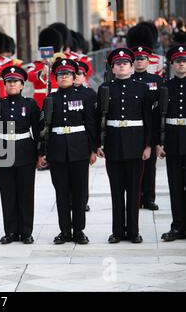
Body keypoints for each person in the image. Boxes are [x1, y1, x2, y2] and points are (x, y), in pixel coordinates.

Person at [97, 48, 152, 244]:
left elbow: (148, 119)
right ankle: (117, 232)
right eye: (118, 64)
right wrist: (98, 144)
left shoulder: (142, 88)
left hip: (136, 144)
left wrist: (148, 145)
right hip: (113, 144)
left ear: (131, 66)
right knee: (116, 190)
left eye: (125, 63)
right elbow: (99, 119)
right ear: (112, 68)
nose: (121, 66)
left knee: (134, 190)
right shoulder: (105, 88)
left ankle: (134, 231)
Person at [0, 66, 42, 244]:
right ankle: (10, 231)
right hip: (3, 151)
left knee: (26, 194)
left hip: (25, 150)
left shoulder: (30, 104)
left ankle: (26, 231)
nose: (11, 85)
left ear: (22, 84)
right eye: (8, 82)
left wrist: (41, 154)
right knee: (8, 194)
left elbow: (39, 130)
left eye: (15, 82)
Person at [43, 59, 97, 245]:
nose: (64, 77)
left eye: (67, 74)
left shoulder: (84, 97)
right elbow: (45, 129)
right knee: (62, 193)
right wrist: (44, 152)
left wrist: (93, 149)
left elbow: (90, 124)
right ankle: (64, 231)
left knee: (80, 192)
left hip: (80, 148)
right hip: (57, 150)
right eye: (60, 74)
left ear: (74, 77)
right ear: (55, 78)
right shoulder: (50, 99)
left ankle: (79, 230)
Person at [156, 44, 186, 242]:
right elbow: (158, 116)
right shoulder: (166, 87)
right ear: (172, 65)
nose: (181, 65)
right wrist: (159, 143)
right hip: (174, 139)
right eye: (178, 62)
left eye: (184, 61)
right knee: (175, 185)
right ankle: (178, 226)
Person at [130, 45, 163, 211]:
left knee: (150, 166)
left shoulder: (156, 80)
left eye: (142, 59)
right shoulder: (129, 79)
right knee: (136, 165)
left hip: (152, 123)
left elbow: (160, 105)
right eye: (136, 59)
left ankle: (149, 197)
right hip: (135, 126)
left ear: (148, 61)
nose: (139, 62)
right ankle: (137, 197)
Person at [74, 60, 98, 212]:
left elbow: (93, 122)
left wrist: (94, 147)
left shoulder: (90, 94)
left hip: (83, 139)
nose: (76, 77)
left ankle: (83, 200)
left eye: (80, 74)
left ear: (84, 76)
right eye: (74, 74)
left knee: (82, 177)